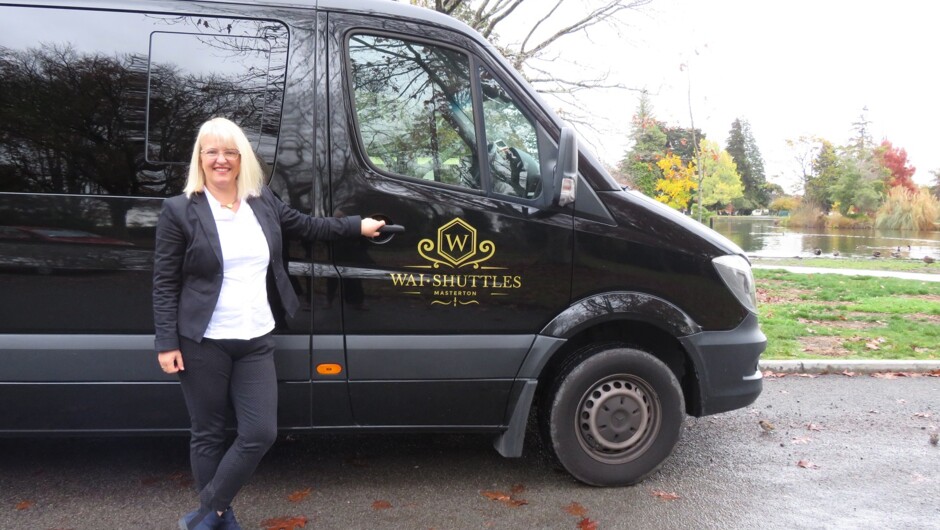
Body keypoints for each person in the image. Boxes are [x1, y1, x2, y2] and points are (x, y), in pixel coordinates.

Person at [153, 117, 384, 530]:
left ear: (242, 159)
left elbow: (308, 226)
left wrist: (356, 226)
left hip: (256, 337)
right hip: (203, 341)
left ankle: (209, 511)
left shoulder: (261, 200)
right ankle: (220, 517)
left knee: (260, 432)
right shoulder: (179, 210)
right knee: (207, 433)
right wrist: (167, 342)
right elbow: (165, 282)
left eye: (230, 152)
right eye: (212, 152)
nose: (221, 160)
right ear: (200, 158)